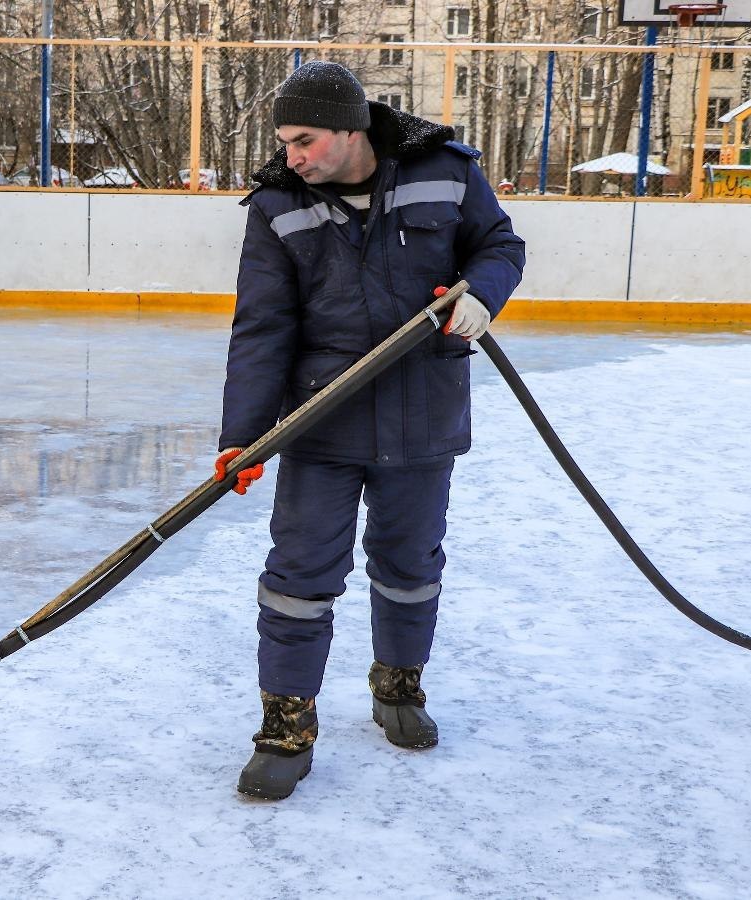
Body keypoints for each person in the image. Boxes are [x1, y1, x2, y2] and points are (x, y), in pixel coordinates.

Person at [216, 60, 525, 800]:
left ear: (350, 130)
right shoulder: (276, 205)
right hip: (323, 420)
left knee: (410, 567)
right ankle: (284, 726)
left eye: (304, 139)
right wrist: (243, 435)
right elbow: (262, 328)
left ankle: (398, 687)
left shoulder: (444, 172)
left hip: (423, 412)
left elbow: (500, 246)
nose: (289, 156)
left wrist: (482, 294)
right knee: (298, 577)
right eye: (284, 141)